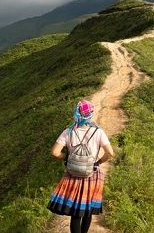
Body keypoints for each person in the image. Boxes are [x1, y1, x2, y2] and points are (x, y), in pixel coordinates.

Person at [48, 99, 115, 233]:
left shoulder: (68, 131)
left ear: (76, 113)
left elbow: (55, 152)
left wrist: (67, 157)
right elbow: (110, 153)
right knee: (87, 210)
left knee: (75, 214)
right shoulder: (98, 132)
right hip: (92, 174)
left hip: (73, 175)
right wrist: (98, 162)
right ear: (90, 114)